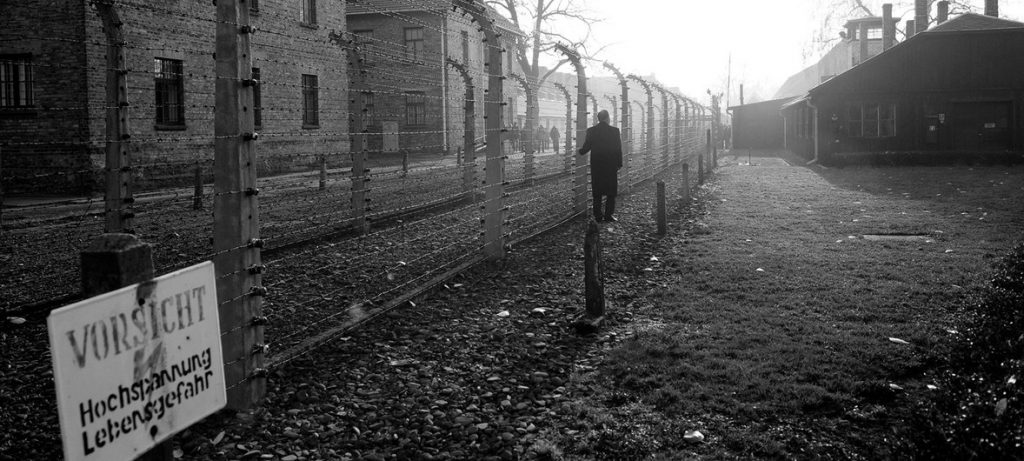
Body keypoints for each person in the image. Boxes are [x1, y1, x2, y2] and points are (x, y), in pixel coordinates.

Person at [578, 110, 623, 222]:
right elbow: (618, 149)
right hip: (611, 165)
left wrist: (580, 151)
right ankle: (608, 215)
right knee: (611, 192)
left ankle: (598, 216)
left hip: (597, 165)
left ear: (599, 119)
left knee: (597, 192)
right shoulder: (615, 131)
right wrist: (619, 163)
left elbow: (586, 148)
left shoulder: (592, 131)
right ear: (607, 118)